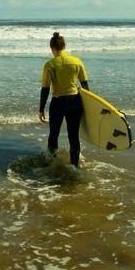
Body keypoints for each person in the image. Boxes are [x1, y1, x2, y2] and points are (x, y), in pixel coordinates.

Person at [38, 31, 89, 168]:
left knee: (53, 135)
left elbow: (45, 88)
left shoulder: (50, 65)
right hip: (75, 102)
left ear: (52, 48)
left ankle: (51, 163)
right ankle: (74, 166)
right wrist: (89, 107)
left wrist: (41, 109)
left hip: (58, 103)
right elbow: (85, 85)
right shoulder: (77, 61)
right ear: (64, 46)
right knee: (73, 137)